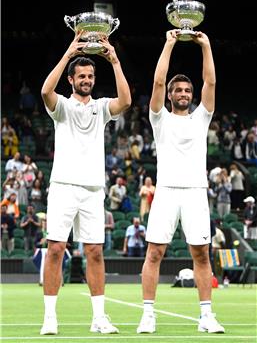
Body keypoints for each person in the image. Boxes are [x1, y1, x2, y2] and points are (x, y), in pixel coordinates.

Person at [40, 30, 131, 335]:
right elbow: (44, 91)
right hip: (63, 186)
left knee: (95, 252)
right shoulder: (62, 107)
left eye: (90, 75)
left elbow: (126, 101)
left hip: (93, 189)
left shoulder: (102, 107)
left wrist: (114, 60)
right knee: (55, 249)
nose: (87, 80)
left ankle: (99, 318)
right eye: (81, 76)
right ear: (72, 79)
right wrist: (69, 52)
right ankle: (50, 318)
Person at [137, 29, 225, 334]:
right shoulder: (159, 118)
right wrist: (170, 42)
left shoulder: (201, 117)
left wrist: (206, 45)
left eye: (188, 90)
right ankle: (148, 314)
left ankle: (206, 316)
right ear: (172, 95)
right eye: (180, 90)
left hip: (196, 193)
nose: (185, 94)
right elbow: (158, 81)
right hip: (166, 192)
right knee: (154, 253)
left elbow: (210, 82)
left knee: (201, 254)